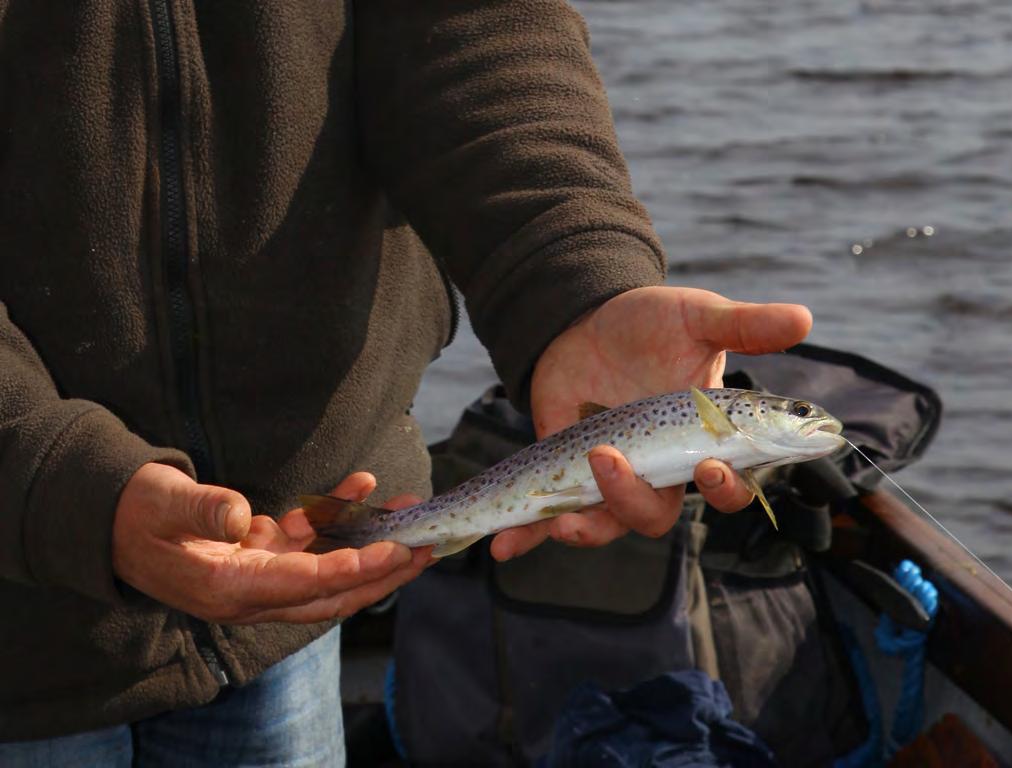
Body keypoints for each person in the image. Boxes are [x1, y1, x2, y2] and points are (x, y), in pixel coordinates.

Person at [0, 1, 811, 765]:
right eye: (795, 416)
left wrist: (574, 276)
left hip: (295, 564)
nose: (806, 424)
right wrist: (51, 484)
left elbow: (472, 27)